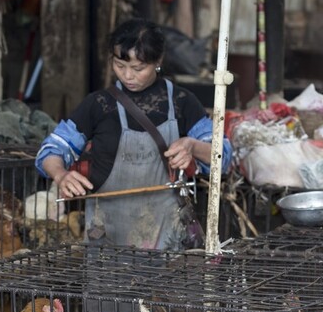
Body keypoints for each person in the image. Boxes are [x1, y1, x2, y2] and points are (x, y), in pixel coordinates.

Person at [36, 18, 231, 252]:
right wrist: (60, 174)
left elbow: (223, 157)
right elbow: (51, 150)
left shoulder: (183, 103)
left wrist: (192, 146)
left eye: (138, 68)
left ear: (157, 62)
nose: (128, 75)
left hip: (167, 238)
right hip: (108, 238)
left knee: (166, 288)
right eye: (120, 65)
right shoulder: (98, 105)